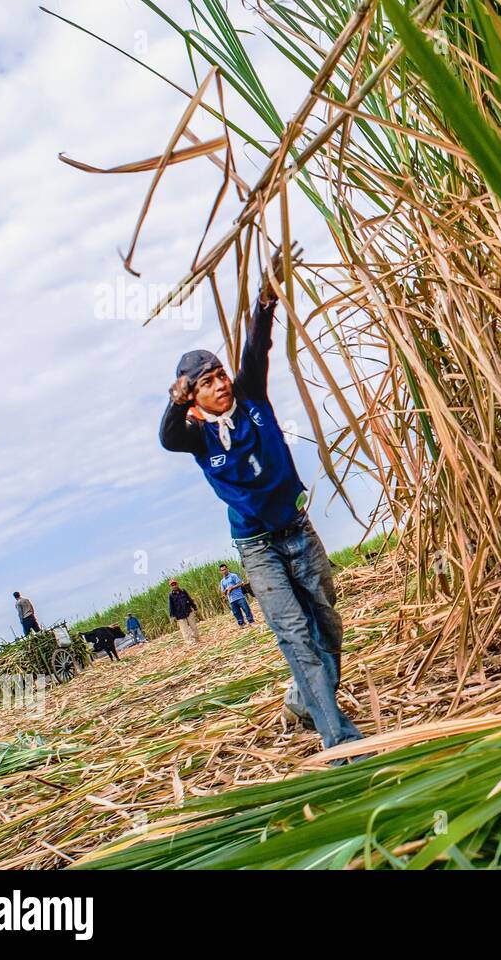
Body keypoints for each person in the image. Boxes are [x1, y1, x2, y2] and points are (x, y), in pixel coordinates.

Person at [159, 244, 364, 757]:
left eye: (219, 375)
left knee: (327, 626)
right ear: (194, 397)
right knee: (296, 638)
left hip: (298, 530)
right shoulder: (195, 436)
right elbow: (165, 437)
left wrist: (266, 296)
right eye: (206, 383)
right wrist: (173, 401)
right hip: (257, 547)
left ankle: (302, 700)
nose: (220, 385)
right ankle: (337, 737)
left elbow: (258, 344)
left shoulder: (251, 396)